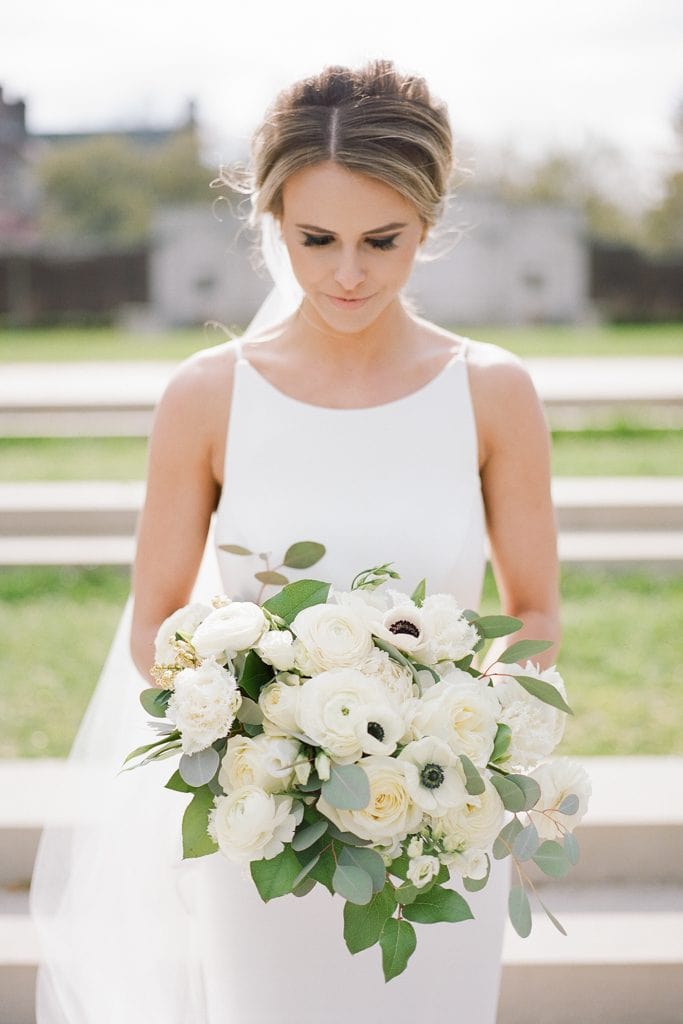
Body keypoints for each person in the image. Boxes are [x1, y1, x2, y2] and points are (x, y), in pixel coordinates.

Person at [30, 58, 560, 1023]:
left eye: (381, 240)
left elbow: (532, 613)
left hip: (437, 830)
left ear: (427, 225)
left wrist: (441, 735)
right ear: (272, 222)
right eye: (316, 239)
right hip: (264, 824)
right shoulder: (205, 395)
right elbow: (155, 626)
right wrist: (261, 735)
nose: (346, 273)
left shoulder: (491, 390)